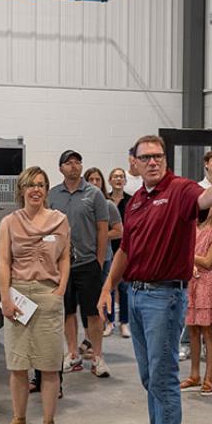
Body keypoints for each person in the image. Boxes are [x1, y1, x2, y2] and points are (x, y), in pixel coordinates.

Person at [98, 134, 212, 424]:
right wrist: (107, 288)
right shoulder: (134, 204)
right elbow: (126, 251)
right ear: (132, 162)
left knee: (162, 380)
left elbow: (203, 199)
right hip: (135, 294)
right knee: (151, 377)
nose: (153, 162)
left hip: (165, 297)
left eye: (158, 156)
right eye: (145, 157)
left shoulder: (179, 189)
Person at [0, 166, 70, 424]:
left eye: (41, 184)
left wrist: (60, 289)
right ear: (22, 190)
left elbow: (64, 257)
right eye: (31, 185)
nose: (36, 189)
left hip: (48, 295)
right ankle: (19, 420)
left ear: (46, 189)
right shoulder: (9, 223)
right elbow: (4, 262)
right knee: (18, 365)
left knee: (49, 366)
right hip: (18, 298)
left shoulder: (59, 220)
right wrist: (5, 298)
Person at [48, 151, 110, 377]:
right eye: (69, 163)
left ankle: (97, 357)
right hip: (61, 265)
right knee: (67, 311)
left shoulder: (94, 194)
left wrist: (99, 260)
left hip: (88, 263)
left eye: (77, 162)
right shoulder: (53, 195)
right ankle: (72, 354)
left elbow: (103, 229)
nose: (74, 166)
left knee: (93, 313)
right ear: (60, 168)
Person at [181, 206, 212, 396]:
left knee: (207, 331)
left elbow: (208, 261)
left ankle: (209, 376)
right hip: (191, 281)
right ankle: (194, 375)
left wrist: (187, 258)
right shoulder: (192, 227)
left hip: (207, 283)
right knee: (192, 330)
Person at [84, 167, 123, 338]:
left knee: (103, 292)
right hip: (84, 257)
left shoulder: (108, 205)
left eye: (97, 180)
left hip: (104, 256)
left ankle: (107, 322)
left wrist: (99, 236)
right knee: (88, 297)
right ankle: (89, 333)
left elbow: (119, 231)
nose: (94, 183)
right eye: (90, 179)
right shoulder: (82, 203)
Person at [109, 167, 133, 338]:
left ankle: (124, 322)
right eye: (115, 176)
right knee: (109, 287)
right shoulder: (104, 200)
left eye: (121, 176)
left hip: (125, 249)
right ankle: (109, 322)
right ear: (110, 180)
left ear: (125, 181)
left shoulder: (131, 201)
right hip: (108, 248)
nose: (118, 179)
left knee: (124, 288)